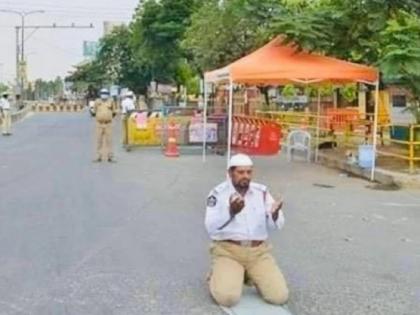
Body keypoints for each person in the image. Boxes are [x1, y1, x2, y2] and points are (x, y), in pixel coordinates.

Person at [205, 154, 289, 307]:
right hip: (228, 251)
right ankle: (216, 275)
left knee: (279, 296)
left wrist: (275, 214)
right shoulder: (218, 193)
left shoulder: (261, 192)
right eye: (241, 172)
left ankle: (247, 273)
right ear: (230, 173)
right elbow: (211, 227)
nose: (246, 176)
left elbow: (277, 225)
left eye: (249, 172)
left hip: (258, 252)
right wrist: (231, 212)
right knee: (227, 298)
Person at [93, 88, 116, 163]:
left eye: (105, 93)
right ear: (100, 94)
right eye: (103, 93)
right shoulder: (97, 101)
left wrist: (108, 117)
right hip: (99, 124)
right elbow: (95, 110)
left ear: (108, 94)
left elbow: (114, 111)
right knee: (99, 141)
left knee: (109, 141)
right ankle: (98, 156)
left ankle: (110, 157)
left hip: (108, 124)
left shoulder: (111, 101)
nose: (104, 94)